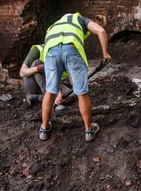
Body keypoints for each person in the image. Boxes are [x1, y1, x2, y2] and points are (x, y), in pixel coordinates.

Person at [39, 13, 111, 142]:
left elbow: (61, 63)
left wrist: (60, 92)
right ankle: (89, 130)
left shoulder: (55, 26)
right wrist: (105, 53)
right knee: (82, 93)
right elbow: (101, 31)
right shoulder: (80, 19)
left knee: (49, 91)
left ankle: (44, 129)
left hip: (50, 52)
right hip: (71, 49)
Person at [19, 43, 73, 108]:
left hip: (51, 83)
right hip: (33, 83)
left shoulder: (65, 54)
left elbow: (68, 75)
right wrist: (38, 68)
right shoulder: (38, 50)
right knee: (38, 63)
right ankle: (51, 99)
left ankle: (36, 97)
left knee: (72, 94)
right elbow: (22, 72)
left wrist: (75, 87)